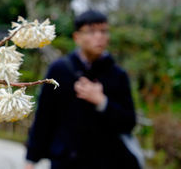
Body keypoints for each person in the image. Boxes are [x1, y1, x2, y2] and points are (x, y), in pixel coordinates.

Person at [24, 10, 140, 169]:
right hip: (66, 160)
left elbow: (129, 122)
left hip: (107, 161)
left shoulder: (117, 75)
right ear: (77, 37)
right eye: (91, 31)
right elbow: (44, 117)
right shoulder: (59, 70)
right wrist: (31, 159)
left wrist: (102, 102)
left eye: (103, 31)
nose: (99, 36)